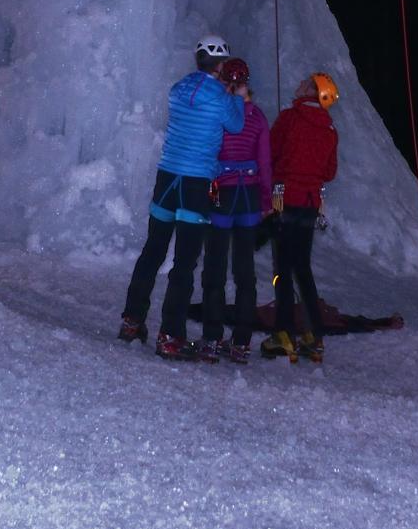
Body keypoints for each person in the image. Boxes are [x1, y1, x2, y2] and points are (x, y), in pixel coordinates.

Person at [119, 38, 246, 360]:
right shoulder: (221, 98)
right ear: (221, 65)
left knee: (152, 251)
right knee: (184, 262)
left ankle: (132, 321)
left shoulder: (178, 88)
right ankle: (170, 336)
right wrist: (237, 96)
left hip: (167, 178)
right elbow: (236, 125)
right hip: (195, 183)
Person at [265, 71, 341, 364]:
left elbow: (271, 153)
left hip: (284, 200)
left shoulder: (290, 119)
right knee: (303, 268)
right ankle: (313, 336)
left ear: (311, 90)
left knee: (282, 269)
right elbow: (329, 172)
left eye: (305, 82)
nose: (298, 84)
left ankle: (284, 333)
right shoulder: (330, 130)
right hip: (310, 204)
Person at [200, 56, 272, 364]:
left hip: (223, 193)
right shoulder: (257, 117)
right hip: (250, 197)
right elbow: (265, 161)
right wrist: (268, 201)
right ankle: (241, 341)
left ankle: (212, 338)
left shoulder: (219, 113)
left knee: (215, 267)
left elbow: (209, 153)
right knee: (245, 271)